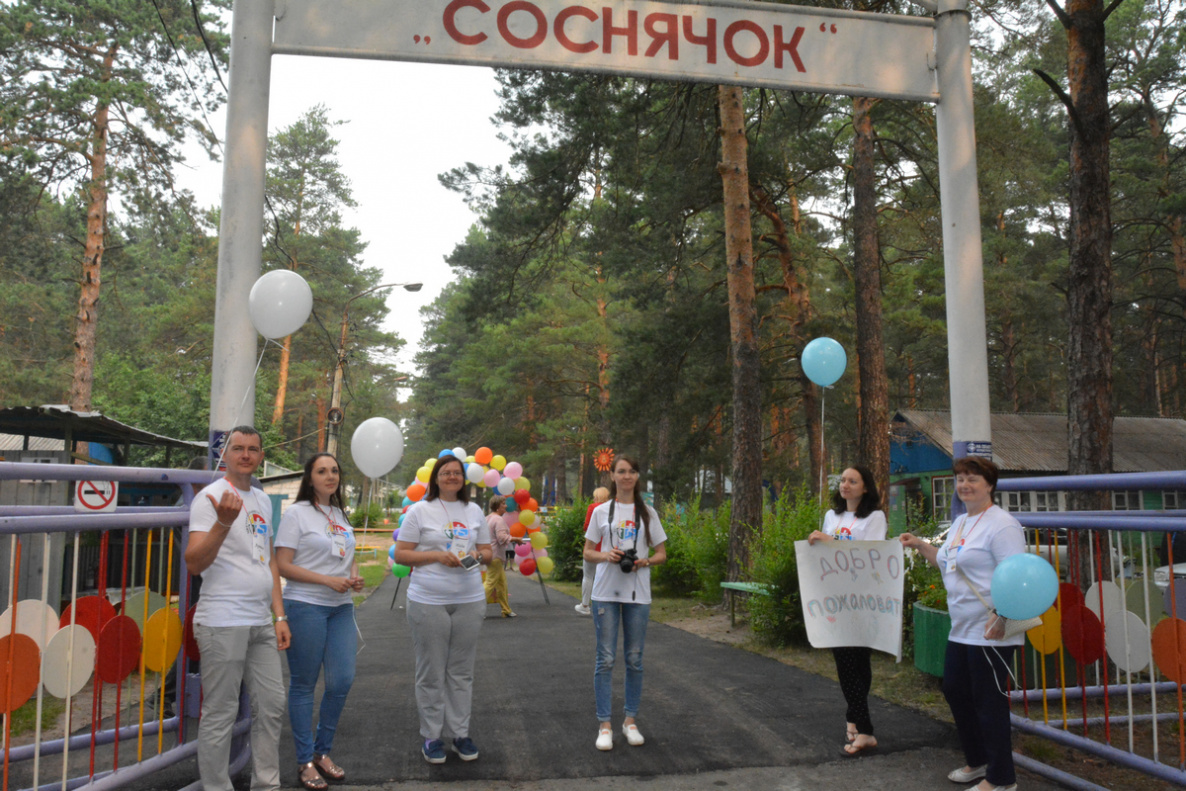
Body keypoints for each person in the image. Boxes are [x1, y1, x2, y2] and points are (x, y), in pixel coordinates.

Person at [899, 457, 1024, 791]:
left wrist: (1004, 617)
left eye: (973, 479)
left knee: (989, 702)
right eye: (960, 480)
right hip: (962, 628)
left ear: (990, 485)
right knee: (955, 690)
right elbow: (948, 562)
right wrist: (920, 545)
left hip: (992, 629)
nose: (965, 485)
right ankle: (979, 760)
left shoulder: (1002, 525)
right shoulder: (962, 523)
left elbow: (1020, 577)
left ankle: (1001, 779)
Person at [184, 426, 290, 791]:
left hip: (261, 621)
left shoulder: (261, 499)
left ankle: (267, 784)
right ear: (224, 455)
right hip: (222, 621)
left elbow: (270, 562)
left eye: (253, 449)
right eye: (238, 449)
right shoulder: (210, 498)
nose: (246, 455)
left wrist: (279, 615)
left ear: (261, 456)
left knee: (273, 706)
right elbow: (194, 563)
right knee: (220, 713)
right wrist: (223, 524)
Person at [394, 454, 493, 764]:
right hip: (428, 600)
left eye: (457, 473)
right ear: (435, 478)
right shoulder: (419, 511)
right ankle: (432, 736)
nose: (452, 477)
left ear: (464, 479)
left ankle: (460, 734)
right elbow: (401, 554)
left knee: (461, 672)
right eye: (446, 473)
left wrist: (478, 555)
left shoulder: (474, 510)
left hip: (469, 599)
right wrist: (436, 555)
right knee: (431, 671)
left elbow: (489, 552)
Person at [274, 453, 365, 790]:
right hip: (306, 606)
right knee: (304, 684)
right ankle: (305, 761)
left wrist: (354, 578)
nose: (330, 476)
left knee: (341, 680)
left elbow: (348, 558)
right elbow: (282, 565)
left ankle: (322, 751)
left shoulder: (340, 514)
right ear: (309, 478)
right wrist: (326, 580)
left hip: (341, 607)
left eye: (335, 471)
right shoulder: (296, 514)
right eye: (322, 471)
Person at [583, 455, 667, 751]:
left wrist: (643, 561)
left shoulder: (648, 513)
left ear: (637, 476)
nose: (627, 476)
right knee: (605, 659)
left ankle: (630, 721)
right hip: (605, 592)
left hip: (638, 594)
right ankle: (604, 724)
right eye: (621, 471)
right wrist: (608, 555)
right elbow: (588, 552)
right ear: (613, 476)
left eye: (632, 471)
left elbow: (662, 553)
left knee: (634, 658)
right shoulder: (601, 512)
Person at [807, 466, 888, 757]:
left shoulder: (875, 518)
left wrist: (834, 542)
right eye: (843, 480)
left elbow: (872, 553)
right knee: (844, 661)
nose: (846, 485)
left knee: (859, 662)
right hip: (836, 600)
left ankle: (858, 722)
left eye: (853, 481)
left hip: (865, 599)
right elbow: (826, 555)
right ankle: (860, 723)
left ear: (866, 487)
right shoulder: (832, 516)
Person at [575, 487, 610, 616]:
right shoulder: (612, 508)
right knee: (604, 577)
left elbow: (587, 526)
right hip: (607, 548)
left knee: (588, 576)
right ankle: (604, 606)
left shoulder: (593, 507)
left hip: (593, 547)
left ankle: (585, 605)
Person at [483, 495, 516, 618]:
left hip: (488, 554)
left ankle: (506, 610)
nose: (506, 505)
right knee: (490, 583)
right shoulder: (499, 520)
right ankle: (476, 609)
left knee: (502, 584)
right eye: (503, 503)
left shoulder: (487, 518)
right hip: (496, 555)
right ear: (497, 507)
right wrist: (515, 539)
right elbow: (502, 537)